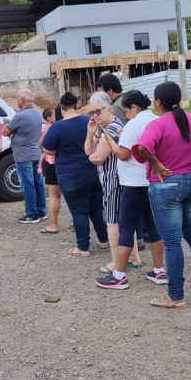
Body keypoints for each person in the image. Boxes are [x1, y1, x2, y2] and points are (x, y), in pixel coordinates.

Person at [133, 82, 191, 308]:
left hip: (166, 185)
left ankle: (175, 296)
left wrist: (155, 163)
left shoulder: (158, 124)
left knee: (172, 242)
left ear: (157, 102)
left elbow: (142, 147)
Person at [96, 90, 163, 290]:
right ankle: (160, 270)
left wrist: (108, 139)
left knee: (126, 226)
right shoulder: (156, 120)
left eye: (126, 110)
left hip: (133, 182)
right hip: (151, 180)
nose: (125, 115)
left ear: (134, 107)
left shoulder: (134, 124)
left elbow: (124, 154)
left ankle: (119, 275)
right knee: (153, 226)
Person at [42, 92, 108, 256]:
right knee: (96, 208)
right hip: (92, 170)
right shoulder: (88, 120)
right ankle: (104, 240)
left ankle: (83, 247)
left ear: (61, 108)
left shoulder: (57, 127)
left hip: (70, 174)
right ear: (77, 105)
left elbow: (48, 149)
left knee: (79, 211)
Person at [84, 92, 126, 274]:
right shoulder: (101, 127)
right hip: (109, 177)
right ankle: (132, 258)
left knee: (112, 221)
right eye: (91, 112)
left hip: (114, 178)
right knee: (123, 220)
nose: (94, 116)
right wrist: (90, 132)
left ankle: (116, 261)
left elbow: (98, 157)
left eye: (98, 111)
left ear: (109, 108)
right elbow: (88, 150)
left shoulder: (113, 127)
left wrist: (93, 154)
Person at [3, 89, 46, 224]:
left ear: (21, 100)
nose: (17, 101)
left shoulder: (20, 116)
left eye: (17, 99)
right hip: (35, 153)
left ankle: (32, 214)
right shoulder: (38, 114)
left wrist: (7, 124)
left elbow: (5, 132)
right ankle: (41, 211)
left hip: (23, 155)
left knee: (28, 185)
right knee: (38, 183)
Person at [38, 108, 61, 234]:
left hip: (51, 162)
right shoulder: (61, 126)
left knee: (53, 195)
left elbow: (41, 145)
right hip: (66, 162)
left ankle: (53, 225)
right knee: (72, 195)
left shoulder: (48, 128)